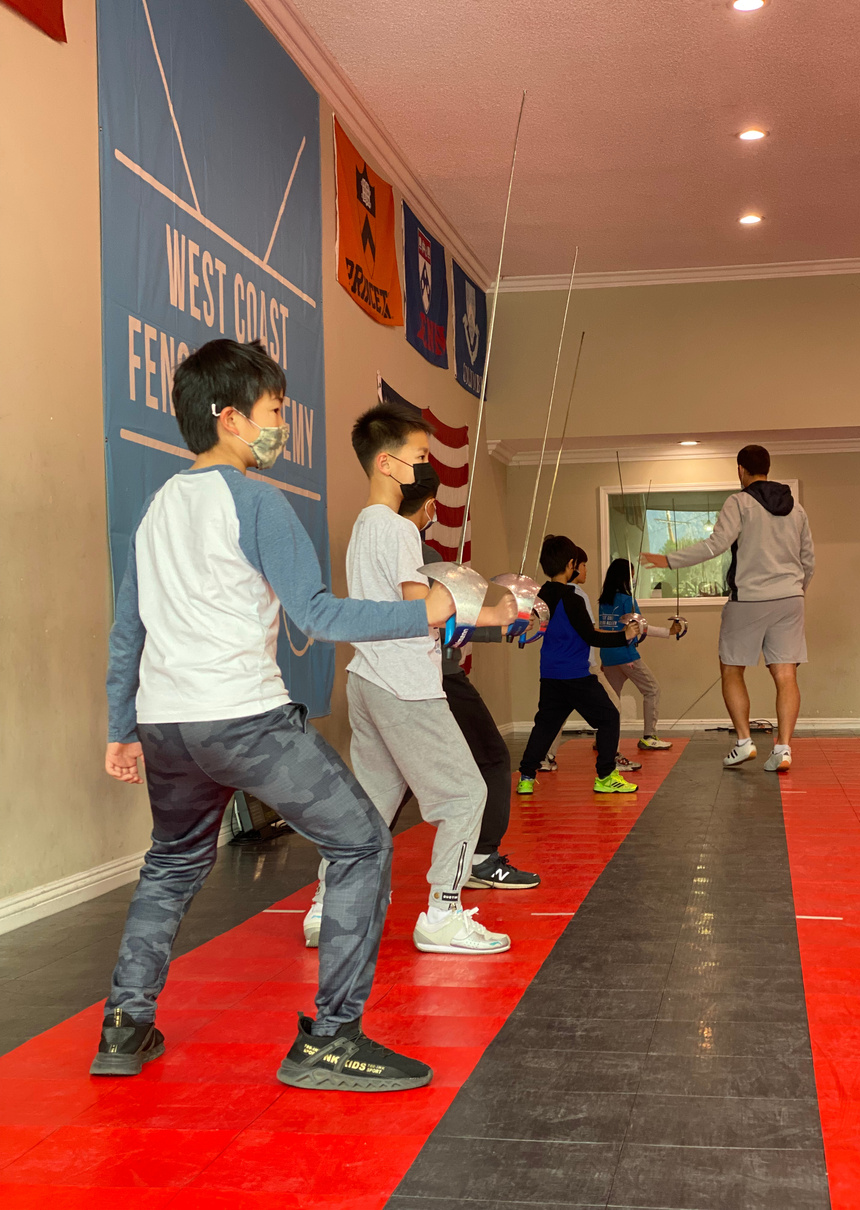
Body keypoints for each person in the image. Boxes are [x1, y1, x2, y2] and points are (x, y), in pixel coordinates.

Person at [96, 339, 457, 1092]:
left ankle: (126, 1026)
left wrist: (121, 727)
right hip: (242, 722)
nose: (280, 426)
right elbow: (318, 615)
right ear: (229, 418)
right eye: (273, 412)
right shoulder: (257, 499)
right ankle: (332, 1040)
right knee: (362, 842)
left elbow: (129, 625)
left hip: (168, 726)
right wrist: (429, 611)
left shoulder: (158, 505)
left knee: (171, 864)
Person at [304, 402, 516, 956]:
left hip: (367, 679)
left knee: (370, 805)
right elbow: (420, 606)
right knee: (466, 794)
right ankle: (443, 913)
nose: (424, 467)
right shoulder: (398, 529)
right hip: (404, 683)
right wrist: (493, 606)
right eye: (419, 456)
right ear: (387, 463)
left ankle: (328, 905)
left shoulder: (362, 526)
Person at [643, 444, 814, 772]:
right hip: (791, 600)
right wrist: (795, 592)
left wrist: (669, 560)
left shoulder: (739, 501)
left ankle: (744, 742)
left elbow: (715, 544)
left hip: (748, 599)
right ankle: (783, 748)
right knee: (786, 673)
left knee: (732, 669)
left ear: (741, 470)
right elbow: (809, 560)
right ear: (768, 467)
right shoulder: (797, 509)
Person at [409, 492, 540, 891]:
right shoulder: (419, 551)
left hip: (384, 678)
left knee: (388, 783)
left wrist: (500, 628)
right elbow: (437, 619)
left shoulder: (372, 542)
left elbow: (442, 621)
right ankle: (480, 859)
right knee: (491, 758)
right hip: (435, 675)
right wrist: (503, 620)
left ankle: (334, 891)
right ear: (429, 504)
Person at [516, 535, 640, 796]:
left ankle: (526, 777)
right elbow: (591, 636)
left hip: (550, 674)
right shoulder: (571, 597)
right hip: (575, 675)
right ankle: (606, 776)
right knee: (609, 718)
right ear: (571, 564)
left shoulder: (541, 594)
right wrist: (625, 635)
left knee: (545, 725)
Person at [598, 557, 681, 750]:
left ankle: (605, 740)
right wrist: (668, 632)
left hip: (608, 657)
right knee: (652, 689)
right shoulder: (628, 601)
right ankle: (649, 736)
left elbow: (606, 629)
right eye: (632, 577)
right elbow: (641, 628)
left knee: (612, 701)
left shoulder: (603, 601)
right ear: (625, 578)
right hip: (626, 656)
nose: (634, 580)